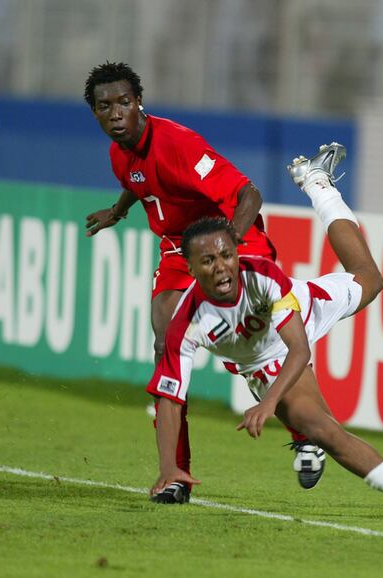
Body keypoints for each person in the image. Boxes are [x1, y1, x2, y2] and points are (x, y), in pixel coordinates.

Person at [146, 143, 383, 524]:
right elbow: (170, 400)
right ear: (190, 270)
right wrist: (167, 467)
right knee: (320, 427)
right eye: (208, 261)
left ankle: (318, 183)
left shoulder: (261, 275)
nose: (222, 268)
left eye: (226, 255)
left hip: (302, 314)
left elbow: (298, 348)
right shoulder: (185, 325)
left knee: (372, 279)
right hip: (263, 361)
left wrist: (269, 404)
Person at [82, 62, 322, 500]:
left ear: (139, 103)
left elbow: (249, 194)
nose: (115, 113)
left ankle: (305, 429)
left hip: (231, 239)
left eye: (123, 103)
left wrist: (229, 247)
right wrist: (116, 212)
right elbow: (141, 183)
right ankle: (176, 476)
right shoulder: (120, 153)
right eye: (104, 107)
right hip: (178, 249)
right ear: (95, 114)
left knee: (257, 339)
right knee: (165, 344)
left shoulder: (179, 144)